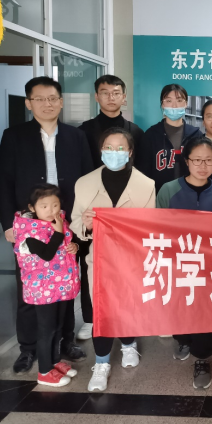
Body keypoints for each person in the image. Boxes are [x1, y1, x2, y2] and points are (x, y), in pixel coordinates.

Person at [0, 76, 92, 374]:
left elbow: (87, 178)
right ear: (29, 103)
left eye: (52, 98)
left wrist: (81, 221)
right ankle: (28, 348)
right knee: (31, 287)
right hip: (30, 225)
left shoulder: (75, 136)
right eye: (39, 99)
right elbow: (3, 180)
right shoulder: (14, 136)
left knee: (65, 284)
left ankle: (64, 342)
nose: (47, 104)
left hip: (65, 222)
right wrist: (9, 223)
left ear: (61, 102)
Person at [71, 128, 157, 393]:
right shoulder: (84, 183)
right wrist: (85, 225)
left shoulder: (146, 184)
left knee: (128, 305)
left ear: (130, 152)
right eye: (109, 147)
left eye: (121, 148)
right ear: (101, 150)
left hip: (132, 259)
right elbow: (74, 222)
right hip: (99, 258)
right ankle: (101, 363)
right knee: (102, 310)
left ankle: (129, 344)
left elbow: (149, 226)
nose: (114, 153)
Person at [156, 137, 212, 389]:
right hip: (177, 264)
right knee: (179, 306)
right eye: (197, 160)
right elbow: (156, 227)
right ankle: (182, 340)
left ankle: (202, 358)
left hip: (210, 267)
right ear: (187, 161)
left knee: (204, 312)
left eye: (209, 160)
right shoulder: (168, 190)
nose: (203, 165)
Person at [76, 75, 144, 342]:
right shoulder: (84, 130)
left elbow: (142, 171)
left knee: (127, 267)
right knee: (91, 263)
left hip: (126, 199)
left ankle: (128, 319)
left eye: (116, 93)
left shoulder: (136, 131)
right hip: (95, 201)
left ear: (124, 97)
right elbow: (81, 168)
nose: (111, 97)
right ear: (96, 97)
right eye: (105, 92)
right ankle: (91, 317)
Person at [13, 185, 81, 388]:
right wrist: (59, 232)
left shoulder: (59, 222)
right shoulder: (28, 230)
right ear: (32, 208)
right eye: (44, 206)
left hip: (60, 285)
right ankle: (44, 371)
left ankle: (54, 361)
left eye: (55, 205)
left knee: (58, 326)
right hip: (43, 290)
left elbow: (65, 246)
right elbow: (48, 253)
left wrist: (74, 246)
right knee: (46, 330)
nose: (51, 210)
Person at [138, 83, 201, 193]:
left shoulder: (196, 135)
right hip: (159, 195)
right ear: (162, 104)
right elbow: (143, 171)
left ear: (186, 104)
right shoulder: (151, 135)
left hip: (190, 194)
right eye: (169, 101)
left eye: (179, 100)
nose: (174, 106)